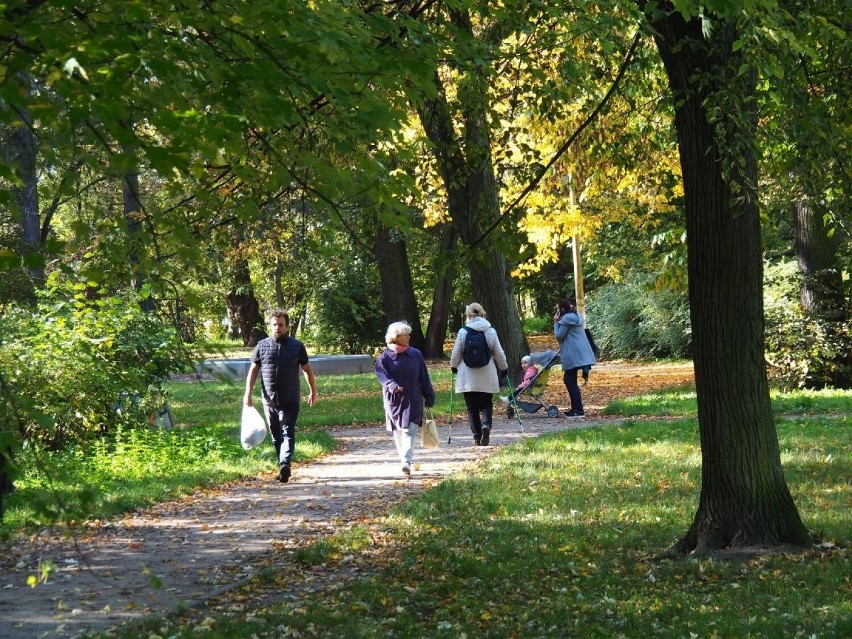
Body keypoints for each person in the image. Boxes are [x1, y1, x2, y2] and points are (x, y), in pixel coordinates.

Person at [244, 310, 318, 483]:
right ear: (270, 326)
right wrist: (248, 393)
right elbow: (253, 370)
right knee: (276, 434)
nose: (277, 328)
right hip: (269, 399)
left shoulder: (297, 346)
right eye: (274, 325)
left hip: (290, 398)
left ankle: (285, 462)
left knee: (287, 431)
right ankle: (282, 466)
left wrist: (313, 391)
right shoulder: (262, 346)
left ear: (287, 327)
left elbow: (307, 370)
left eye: (281, 325)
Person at [375, 321, 436, 477]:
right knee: (398, 432)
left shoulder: (415, 354)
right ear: (395, 337)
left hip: (414, 398)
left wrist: (429, 395)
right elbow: (383, 377)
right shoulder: (383, 358)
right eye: (405, 334)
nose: (409, 337)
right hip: (393, 400)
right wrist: (393, 386)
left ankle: (406, 462)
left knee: (409, 430)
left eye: (409, 334)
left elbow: (424, 376)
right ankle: (404, 459)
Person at [449, 302, 509, 446]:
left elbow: (456, 353)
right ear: (483, 313)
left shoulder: (463, 331)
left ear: (468, 315)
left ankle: (477, 436)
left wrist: (453, 366)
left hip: (467, 375)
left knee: (472, 408)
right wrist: (504, 368)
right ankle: (486, 425)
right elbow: (498, 353)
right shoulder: (490, 331)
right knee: (486, 403)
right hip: (487, 373)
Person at [554, 299, 596, 418]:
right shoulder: (578, 316)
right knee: (570, 380)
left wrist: (556, 322)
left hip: (573, 354)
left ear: (562, 309)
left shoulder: (566, 320)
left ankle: (578, 410)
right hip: (581, 353)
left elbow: (559, 335)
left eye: (558, 309)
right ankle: (576, 409)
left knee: (570, 381)